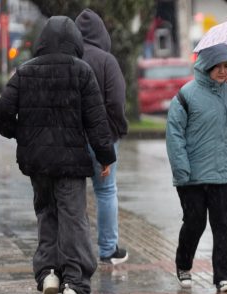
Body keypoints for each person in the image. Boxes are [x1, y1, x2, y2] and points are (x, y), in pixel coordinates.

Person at [0, 16, 116, 294]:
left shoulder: (25, 72)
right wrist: (105, 156)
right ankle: (75, 283)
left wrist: (23, 134)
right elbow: (96, 121)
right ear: (75, 41)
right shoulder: (82, 72)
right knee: (73, 220)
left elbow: (0, 113)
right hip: (71, 165)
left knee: (46, 215)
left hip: (37, 163)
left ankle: (48, 273)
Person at [165, 43, 227, 293]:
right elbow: (174, 134)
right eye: (218, 66)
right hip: (191, 176)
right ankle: (183, 263)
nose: (224, 71)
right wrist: (182, 170)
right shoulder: (185, 95)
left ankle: (223, 276)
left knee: (223, 224)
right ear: (206, 66)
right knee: (195, 221)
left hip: (223, 174)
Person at [75, 8, 129, 265]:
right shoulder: (107, 61)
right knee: (106, 191)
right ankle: (108, 249)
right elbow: (116, 102)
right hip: (102, 137)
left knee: (72, 194)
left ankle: (75, 249)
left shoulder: (69, 58)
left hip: (72, 137)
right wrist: (116, 130)